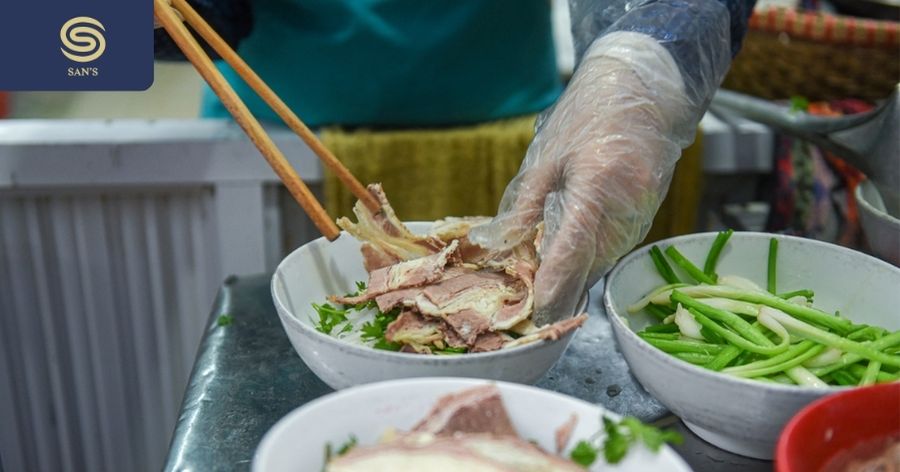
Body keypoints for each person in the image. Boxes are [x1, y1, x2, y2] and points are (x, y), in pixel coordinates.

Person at [155, 0, 756, 323]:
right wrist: (87, 34)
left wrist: (641, 53)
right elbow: (179, 22)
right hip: (269, 152)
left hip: (525, 140)